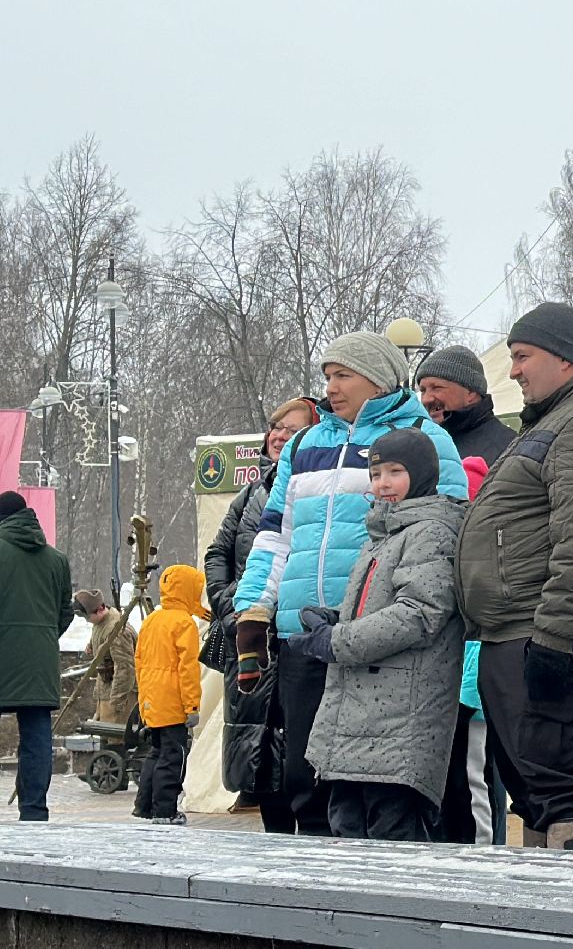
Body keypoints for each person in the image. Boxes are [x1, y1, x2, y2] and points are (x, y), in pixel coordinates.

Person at [232, 333, 466, 835]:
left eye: (343, 376)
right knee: (305, 774)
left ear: (378, 377)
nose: (331, 388)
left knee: (368, 779)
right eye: (327, 376)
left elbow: (444, 526)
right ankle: (316, 886)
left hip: (377, 637)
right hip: (303, 632)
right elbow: (276, 533)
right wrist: (254, 608)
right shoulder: (304, 443)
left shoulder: (425, 439)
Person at [458, 302, 573, 853]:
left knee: (561, 786)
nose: (512, 371)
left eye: (521, 356)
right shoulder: (553, 422)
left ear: (563, 358)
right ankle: (543, 906)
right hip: (515, 631)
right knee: (534, 787)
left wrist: (554, 639)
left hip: (545, 632)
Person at [293, 428, 467, 841]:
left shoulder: (430, 532)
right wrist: (335, 619)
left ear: (422, 475)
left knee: (393, 833)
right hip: (359, 715)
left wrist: (337, 640)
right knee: (348, 827)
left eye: (395, 472)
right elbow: (381, 606)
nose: (383, 484)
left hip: (399, 718)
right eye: (376, 474)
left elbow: (420, 612)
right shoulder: (383, 535)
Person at [203, 395, 317, 833]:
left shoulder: (314, 490)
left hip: (292, 636)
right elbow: (218, 552)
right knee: (259, 759)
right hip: (248, 641)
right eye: (276, 426)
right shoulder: (251, 494)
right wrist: (231, 606)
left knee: (298, 755)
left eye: (293, 429)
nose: (280, 435)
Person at [416, 343, 516, 845]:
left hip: (478, 626)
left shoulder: (505, 445)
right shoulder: (414, 444)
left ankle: (483, 860)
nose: (428, 397)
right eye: (423, 387)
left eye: (439, 388)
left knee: (476, 764)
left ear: (471, 390)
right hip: (425, 625)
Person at [0, 491, 70, 822]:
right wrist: (41, 637)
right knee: (37, 737)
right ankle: (34, 811)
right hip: (39, 663)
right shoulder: (57, 560)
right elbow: (65, 614)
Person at [133, 565, 207, 825]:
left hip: (153, 700)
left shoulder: (152, 619)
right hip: (174, 701)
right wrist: (192, 706)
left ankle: (144, 806)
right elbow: (187, 669)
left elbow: (139, 660)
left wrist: (145, 702)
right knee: (173, 755)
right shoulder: (184, 623)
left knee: (156, 753)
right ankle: (165, 811)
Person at [72, 587, 137, 727]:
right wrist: (92, 646)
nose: (87, 620)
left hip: (118, 695)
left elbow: (125, 668)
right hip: (106, 692)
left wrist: (118, 702)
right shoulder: (101, 622)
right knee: (105, 736)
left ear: (100, 609)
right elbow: (101, 642)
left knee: (114, 741)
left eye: (87, 616)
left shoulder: (117, 630)